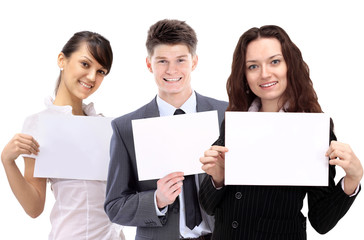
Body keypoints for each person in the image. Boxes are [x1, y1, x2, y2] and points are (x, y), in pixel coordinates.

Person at [199, 25, 363, 240]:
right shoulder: (235, 122)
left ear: (290, 65)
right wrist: (218, 178)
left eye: (274, 61)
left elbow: (321, 222)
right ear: (244, 74)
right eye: (253, 66)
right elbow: (208, 206)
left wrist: (353, 178)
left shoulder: (313, 129)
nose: (265, 73)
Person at [104, 19, 228, 240]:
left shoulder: (226, 114)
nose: (172, 70)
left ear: (194, 62)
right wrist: (157, 200)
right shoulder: (126, 128)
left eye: (181, 60)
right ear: (149, 64)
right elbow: (114, 206)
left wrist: (220, 179)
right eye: (162, 61)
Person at [1, 31, 125, 240]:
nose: (92, 77)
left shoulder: (106, 126)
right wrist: (7, 161)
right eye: (85, 64)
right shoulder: (40, 124)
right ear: (62, 60)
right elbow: (34, 208)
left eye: (101, 71)